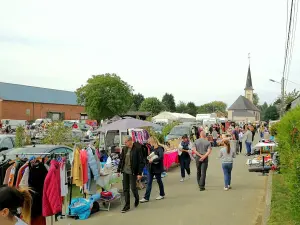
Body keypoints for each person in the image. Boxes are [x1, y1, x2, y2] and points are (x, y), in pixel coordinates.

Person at [117, 136, 144, 213]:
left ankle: (137, 198)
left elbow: (141, 162)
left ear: (130, 141)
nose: (125, 143)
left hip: (133, 171)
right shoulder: (125, 149)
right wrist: (119, 169)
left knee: (133, 188)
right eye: (124, 142)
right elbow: (122, 159)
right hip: (125, 170)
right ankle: (127, 205)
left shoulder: (137, 149)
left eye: (126, 142)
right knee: (125, 188)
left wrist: (139, 173)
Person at [140, 137, 165, 203]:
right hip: (151, 168)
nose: (149, 143)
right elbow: (149, 156)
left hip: (157, 168)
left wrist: (153, 160)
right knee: (149, 182)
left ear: (153, 141)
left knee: (159, 181)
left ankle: (162, 194)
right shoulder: (151, 148)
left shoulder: (160, 148)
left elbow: (161, 157)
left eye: (150, 142)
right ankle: (146, 197)